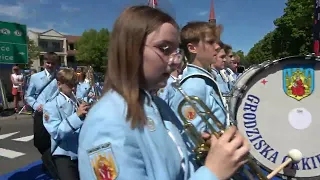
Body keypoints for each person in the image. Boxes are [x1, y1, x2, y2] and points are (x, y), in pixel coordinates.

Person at [78, 6, 249, 180]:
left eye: (176, 51)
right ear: (131, 49)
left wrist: (209, 154)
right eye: (164, 49)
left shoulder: (157, 105)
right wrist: (213, 173)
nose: (175, 62)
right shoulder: (106, 121)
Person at [43, 68, 90, 180]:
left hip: (82, 151)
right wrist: (77, 116)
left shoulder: (77, 101)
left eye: (75, 84)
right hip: (64, 154)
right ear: (59, 84)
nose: (73, 88)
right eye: (70, 85)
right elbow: (57, 132)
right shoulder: (51, 105)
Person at [25, 52, 59, 155]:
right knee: (39, 141)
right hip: (40, 112)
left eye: (52, 63)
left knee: (54, 139)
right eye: (48, 62)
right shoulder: (35, 77)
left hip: (55, 112)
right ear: (43, 63)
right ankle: (47, 160)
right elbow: (28, 96)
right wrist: (36, 105)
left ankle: (50, 162)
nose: (50, 65)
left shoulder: (59, 77)